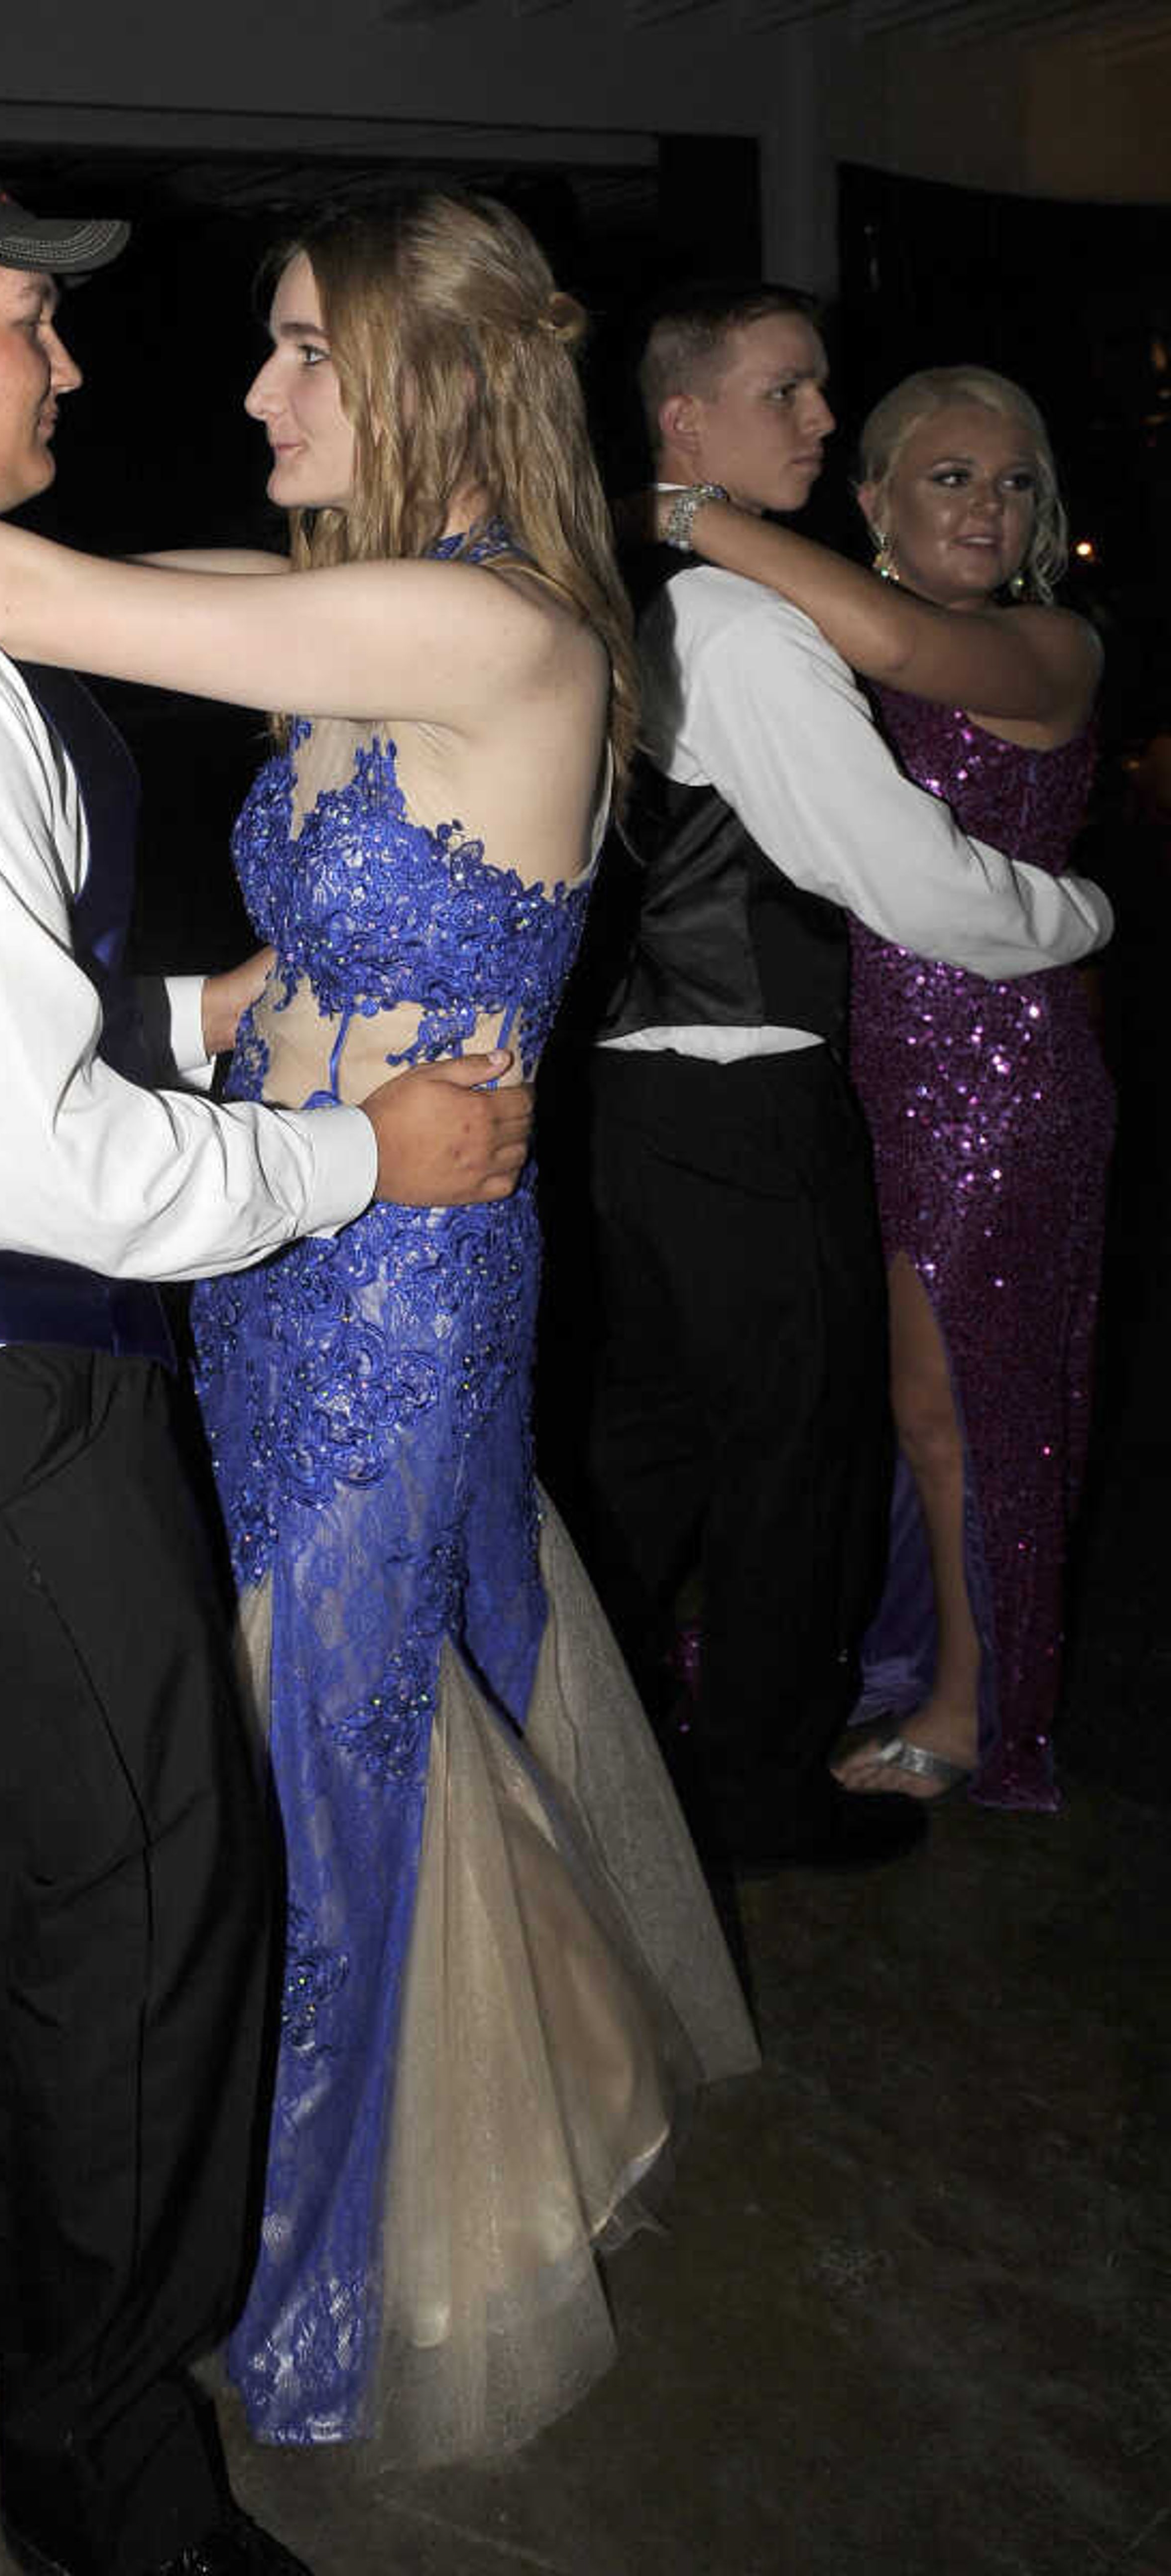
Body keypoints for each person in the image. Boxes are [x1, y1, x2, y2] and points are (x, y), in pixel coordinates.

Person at [0, 184, 760, 2474]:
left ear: (424, 375)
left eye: (302, 350)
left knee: (319, 1759)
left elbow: (29, 593)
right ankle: (237, 2222)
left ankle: (333, 2268)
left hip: (393, 1276)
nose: (249, 391)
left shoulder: (487, 632)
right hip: (262, 1248)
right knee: (286, 1749)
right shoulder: (342, 605)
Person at [573, 284, 1112, 1875]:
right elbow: (901, 871)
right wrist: (1084, 912)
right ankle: (752, 1761)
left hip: (962, 1068)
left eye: (1014, 481)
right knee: (792, 1440)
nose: (817, 415)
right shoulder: (749, 617)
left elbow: (897, 660)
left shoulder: (995, 632)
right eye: (792, 393)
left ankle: (945, 1700)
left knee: (899, 1418)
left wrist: (650, 506)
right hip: (803, 1073)